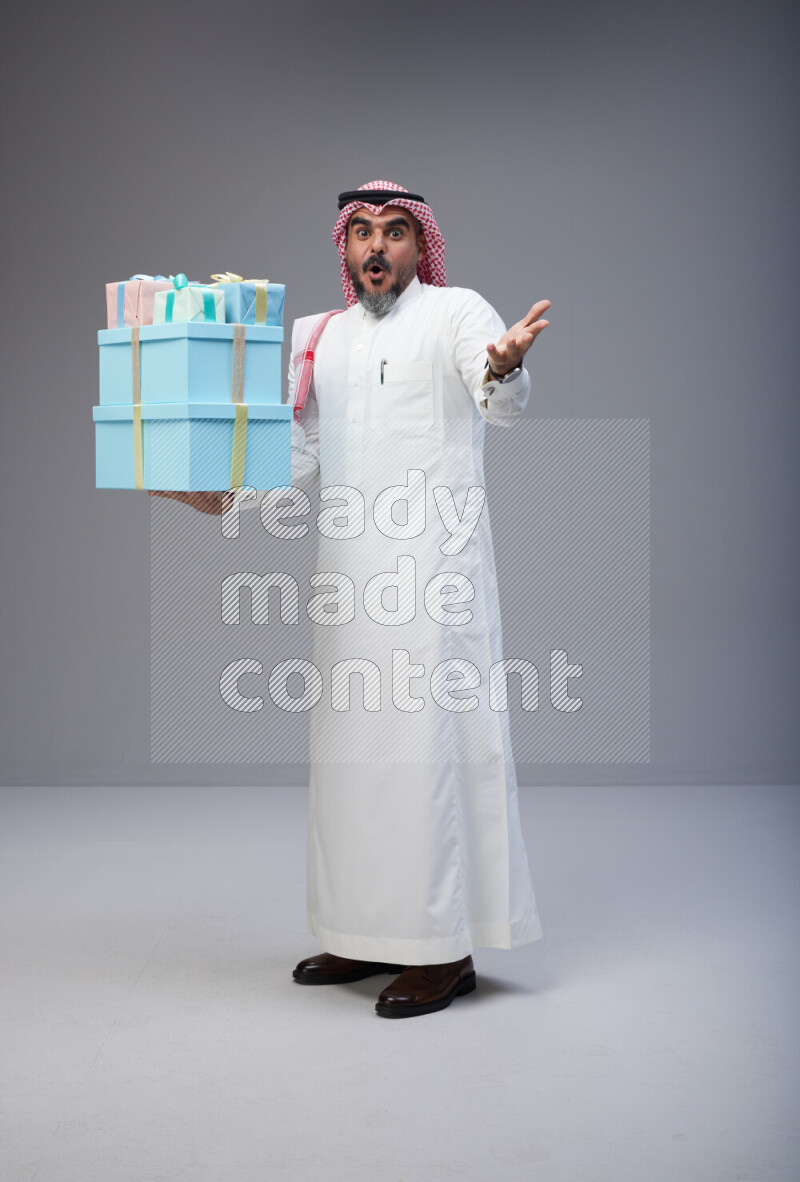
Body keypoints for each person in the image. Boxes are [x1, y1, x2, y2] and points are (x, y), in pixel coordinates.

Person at [152, 180, 550, 1019]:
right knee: (352, 758)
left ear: (419, 245)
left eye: (396, 232)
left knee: (427, 756)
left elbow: (496, 399)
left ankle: (441, 952)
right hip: (349, 577)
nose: (377, 246)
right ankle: (364, 931)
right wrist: (223, 498)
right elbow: (297, 451)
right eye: (362, 232)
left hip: (433, 577)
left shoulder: (455, 312)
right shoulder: (319, 337)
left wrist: (506, 365)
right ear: (344, 248)